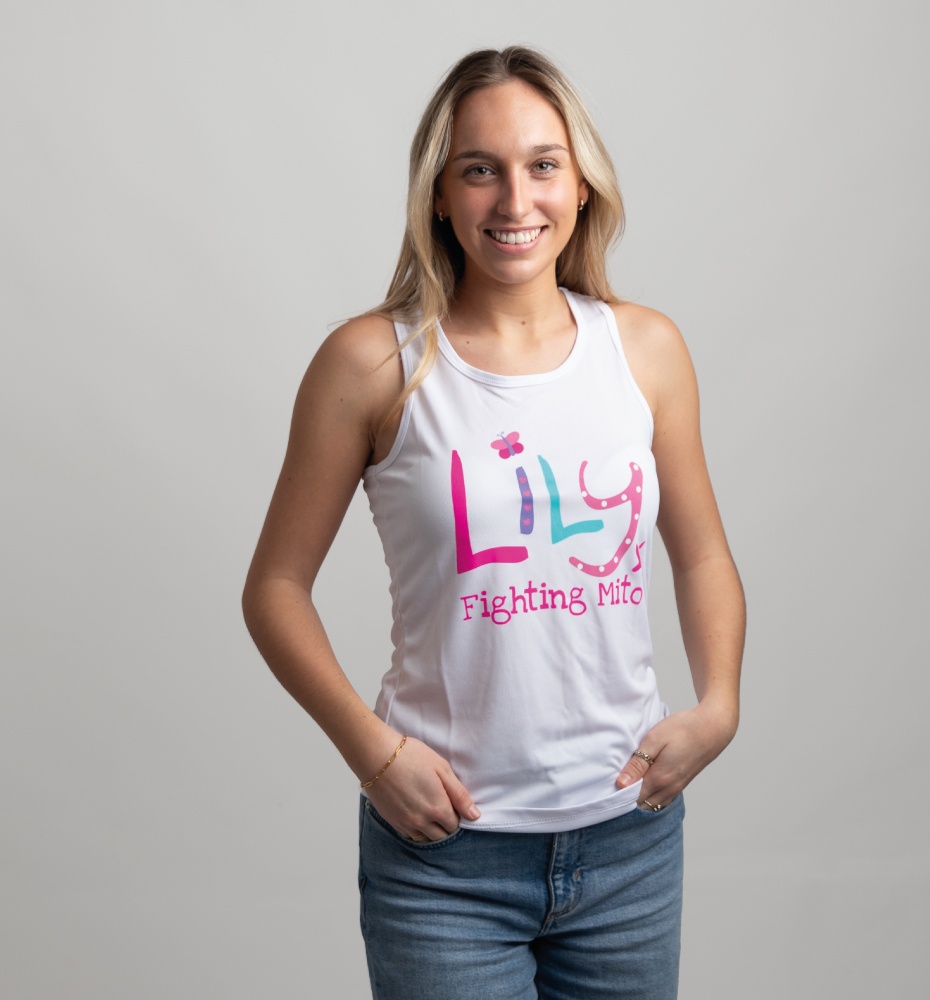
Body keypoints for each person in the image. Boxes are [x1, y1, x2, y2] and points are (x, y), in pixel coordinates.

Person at [243, 45, 745, 1000]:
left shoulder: (644, 350)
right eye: (481, 169)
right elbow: (273, 588)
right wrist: (372, 750)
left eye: (543, 164)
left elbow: (705, 553)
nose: (516, 200)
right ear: (439, 193)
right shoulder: (373, 363)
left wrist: (718, 704)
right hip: (445, 859)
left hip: (629, 845)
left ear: (583, 184)